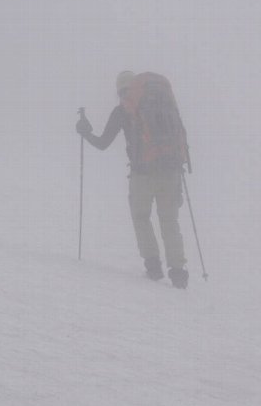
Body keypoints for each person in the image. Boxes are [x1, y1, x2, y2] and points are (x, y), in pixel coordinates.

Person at [77, 71, 189, 289]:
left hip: (143, 173)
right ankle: (178, 273)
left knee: (141, 217)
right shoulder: (165, 105)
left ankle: (153, 266)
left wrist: (85, 132)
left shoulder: (122, 110)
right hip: (171, 171)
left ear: (121, 90)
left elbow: (102, 143)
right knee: (169, 221)